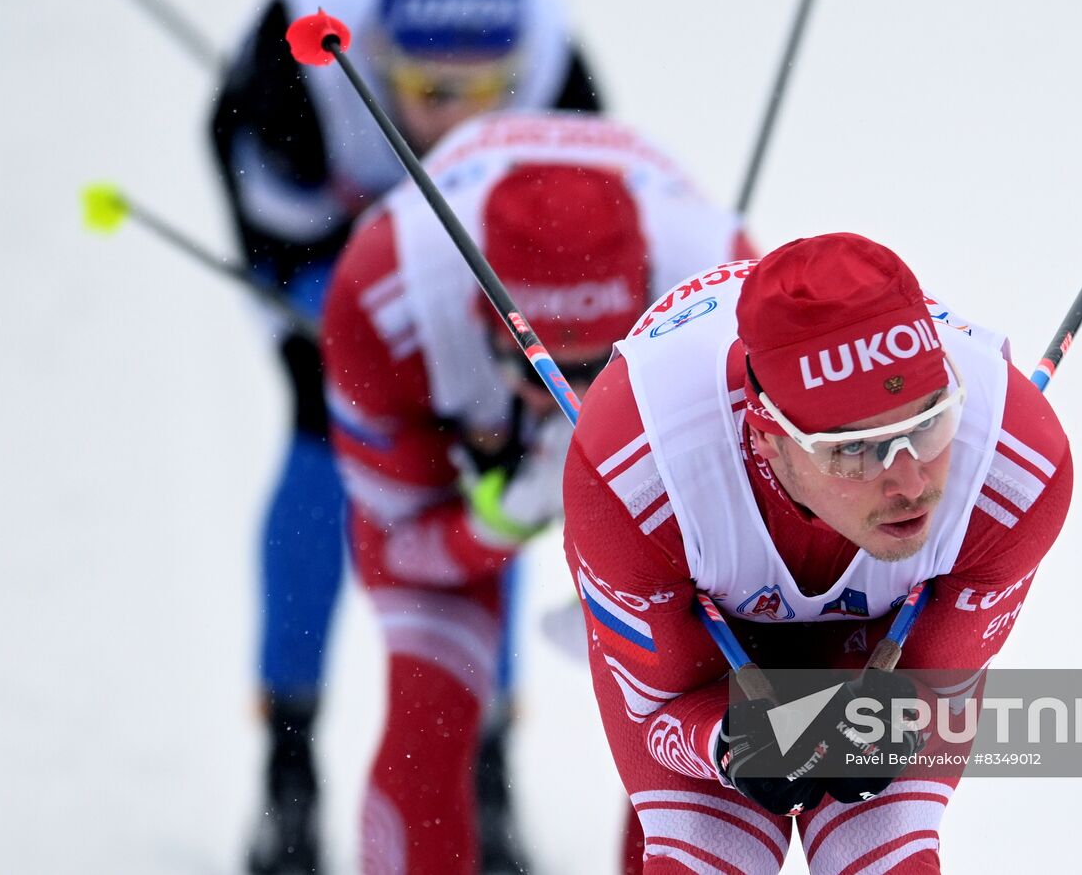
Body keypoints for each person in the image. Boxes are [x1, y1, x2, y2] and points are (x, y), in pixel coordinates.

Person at [207, 0, 603, 870]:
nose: (455, 114)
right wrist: (325, 304)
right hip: (334, 265)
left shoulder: (552, 53)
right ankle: (289, 768)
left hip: (481, 288)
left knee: (489, 488)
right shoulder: (297, 57)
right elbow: (259, 199)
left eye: (486, 88)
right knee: (320, 456)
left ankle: (484, 768)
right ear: (382, 54)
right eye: (427, 87)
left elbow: (592, 213)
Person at [321, 110, 757, 874]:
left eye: (598, 366)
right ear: (480, 321)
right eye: (538, 368)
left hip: (673, 449)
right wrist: (498, 516)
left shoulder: (727, 306)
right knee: (431, 697)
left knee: (711, 713)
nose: (566, 397)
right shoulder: (384, 299)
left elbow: (756, 549)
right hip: (465, 439)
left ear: (646, 316)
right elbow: (401, 549)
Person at [562, 233, 1074, 873]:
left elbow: (942, 684)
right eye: (856, 450)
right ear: (769, 439)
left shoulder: (1013, 472)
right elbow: (660, 707)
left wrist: (904, 718)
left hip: (882, 646)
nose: (911, 482)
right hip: (708, 650)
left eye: (929, 423)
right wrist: (725, 742)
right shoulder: (633, 478)